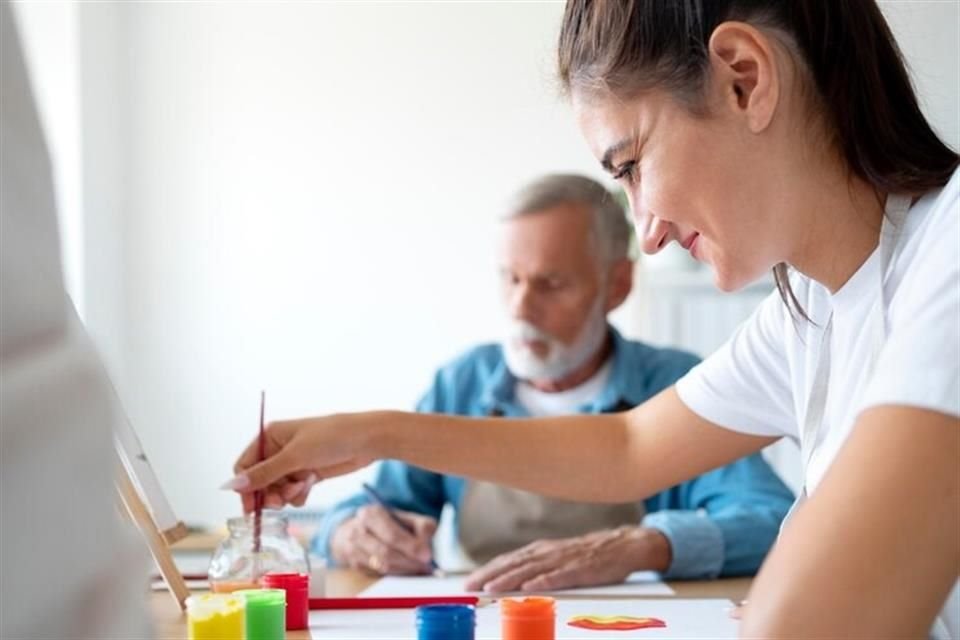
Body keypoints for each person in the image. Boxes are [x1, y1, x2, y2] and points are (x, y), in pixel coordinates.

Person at [226, 1, 959, 637]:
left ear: (745, 79)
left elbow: (809, 623)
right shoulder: (809, 310)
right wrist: (369, 433)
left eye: (633, 165)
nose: (648, 232)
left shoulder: (947, 251)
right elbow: (630, 446)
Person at [311, 174, 794, 590]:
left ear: (618, 284)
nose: (521, 307)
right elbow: (372, 506)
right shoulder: (460, 384)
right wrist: (350, 531)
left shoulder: (674, 384)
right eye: (511, 279)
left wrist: (645, 545)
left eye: (552, 284)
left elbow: (773, 520)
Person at [0, 1, 149, 637]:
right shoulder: (459, 379)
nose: (502, 296)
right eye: (499, 277)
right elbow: (362, 513)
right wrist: (358, 526)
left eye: (505, 279)